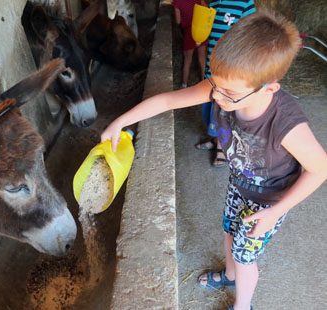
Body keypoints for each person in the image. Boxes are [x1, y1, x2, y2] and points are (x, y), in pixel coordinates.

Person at [101, 11, 327, 310]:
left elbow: (320, 167)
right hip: (239, 183)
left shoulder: (286, 123)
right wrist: (121, 121)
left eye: (228, 92)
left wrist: (277, 211)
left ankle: (242, 305)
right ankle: (230, 276)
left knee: (246, 257)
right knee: (227, 233)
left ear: (268, 88)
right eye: (214, 84)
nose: (217, 96)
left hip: (270, 200)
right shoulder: (223, 88)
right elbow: (168, 100)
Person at [197, 0, 256, 168]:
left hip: (230, 72)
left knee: (224, 114)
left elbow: (252, 34)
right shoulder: (215, 3)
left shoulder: (245, 3)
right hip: (211, 69)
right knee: (208, 111)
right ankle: (215, 140)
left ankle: (222, 149)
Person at [172, 0, 208, 89]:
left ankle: (184, 85)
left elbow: (178, 21)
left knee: (188, 60)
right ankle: (205, 83)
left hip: (189, 32)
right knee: (202, 59)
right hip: (201, 30)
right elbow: (207, 10)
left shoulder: (176, 2)